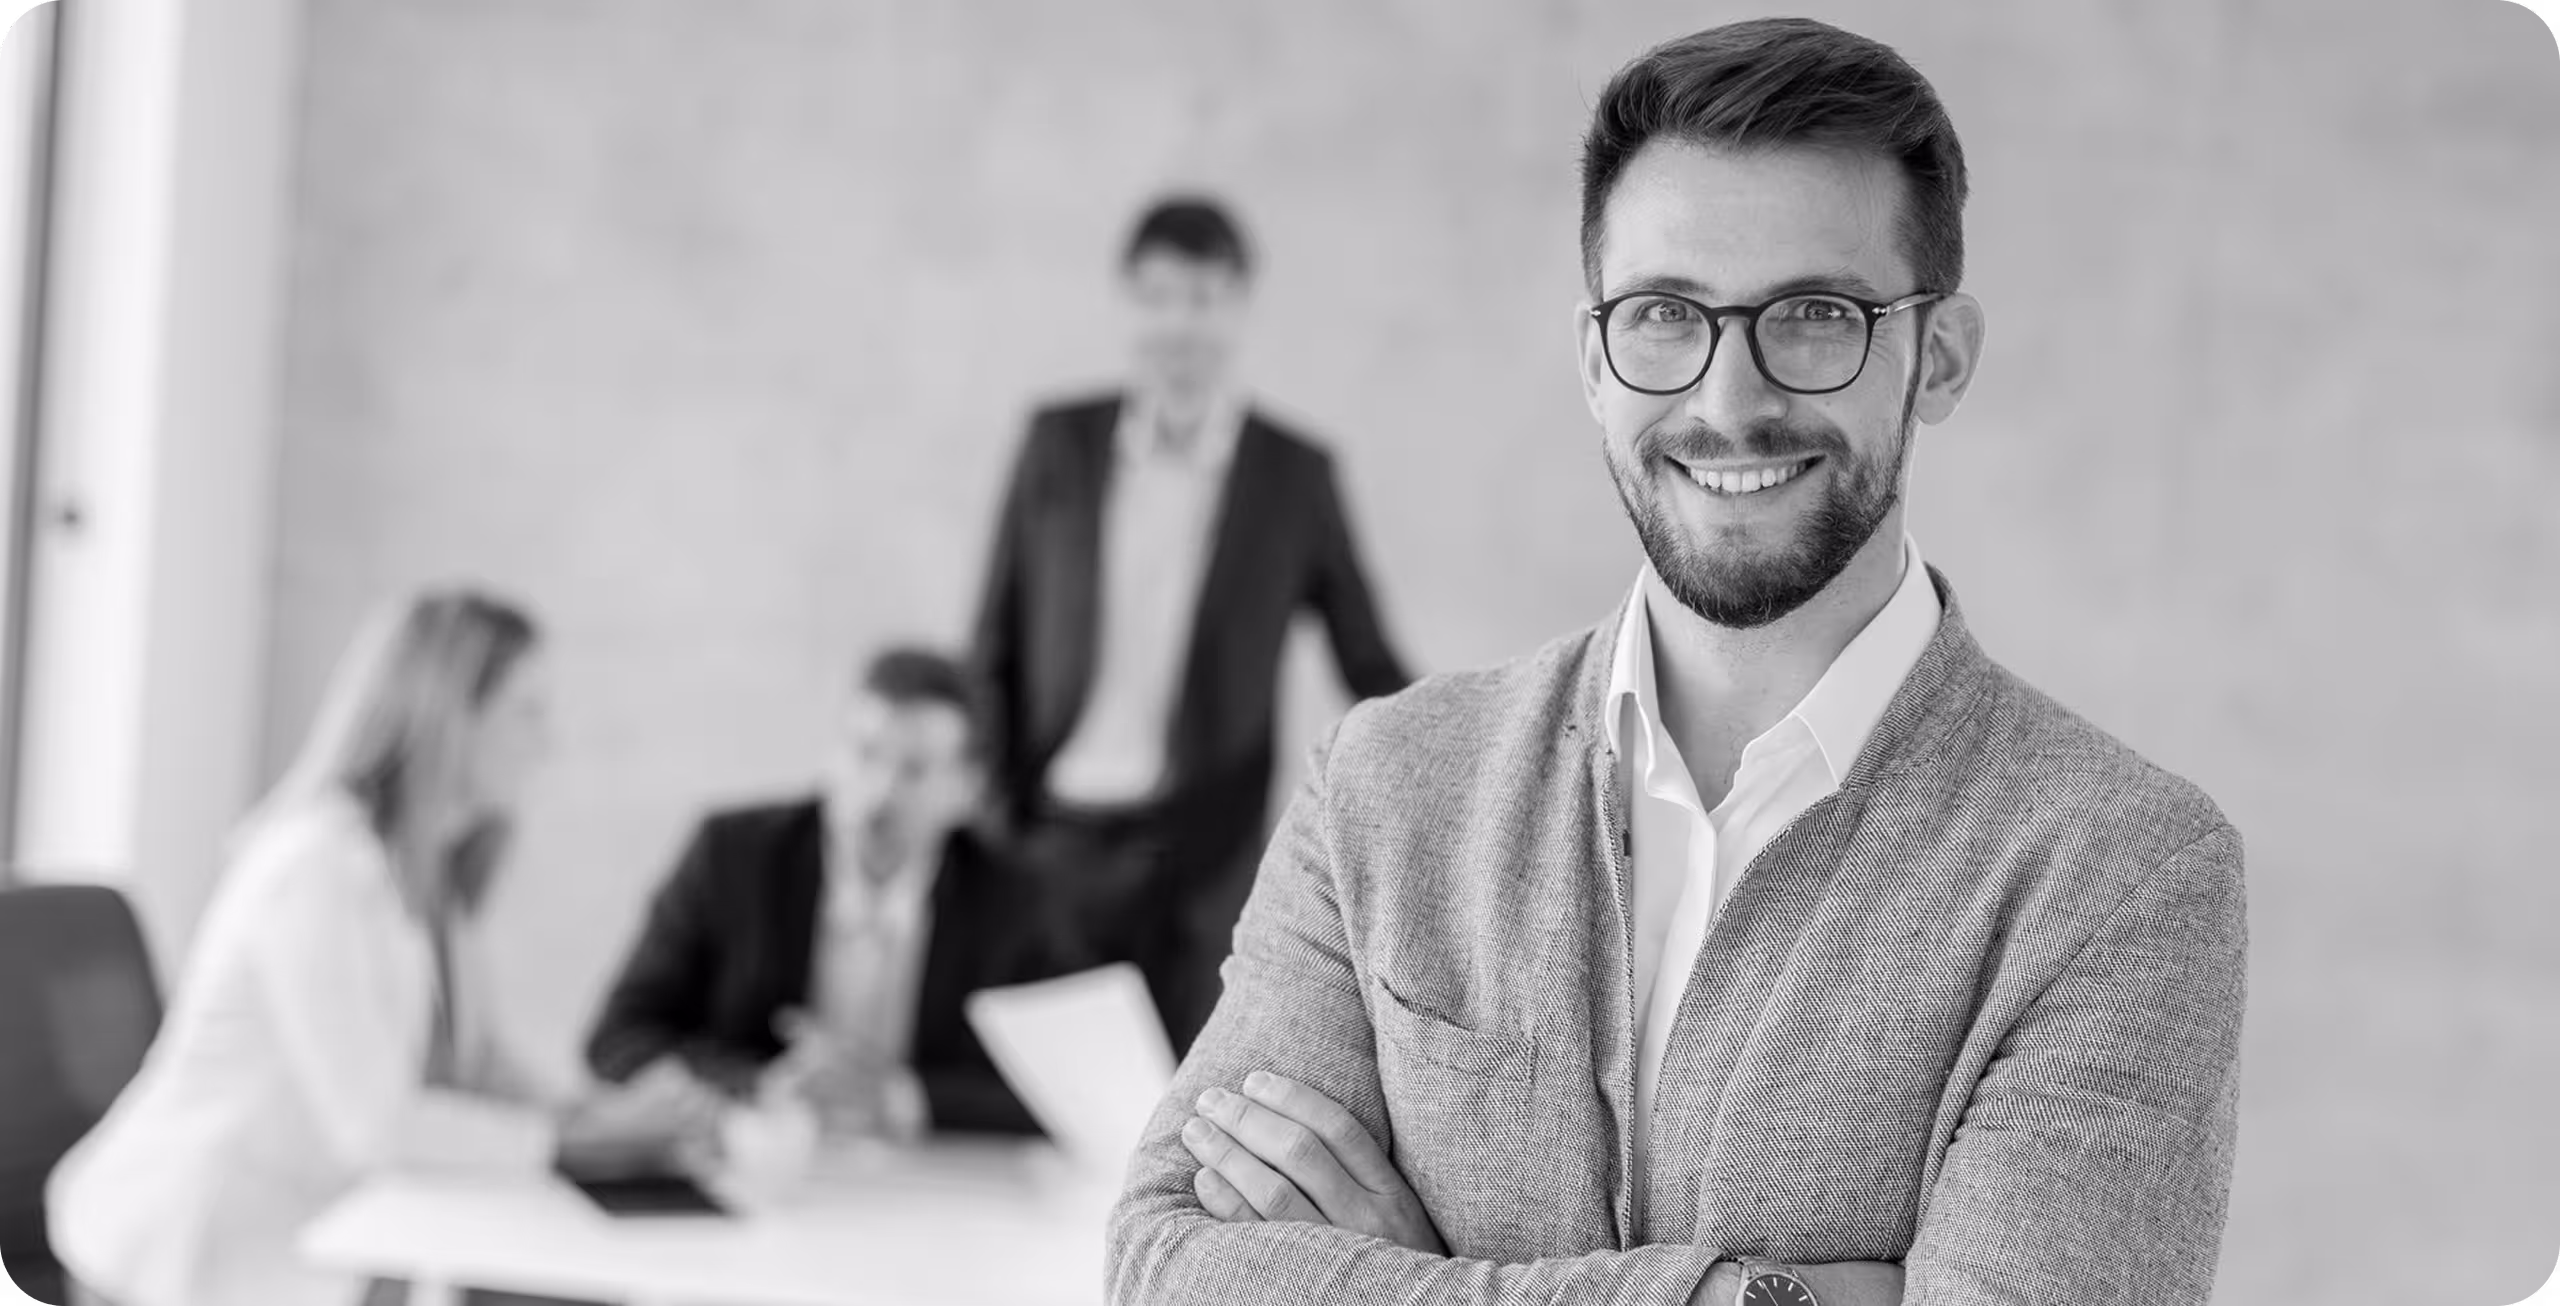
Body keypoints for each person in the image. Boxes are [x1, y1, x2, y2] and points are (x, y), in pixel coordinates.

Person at [1110, 19, 2246, 1306]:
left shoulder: (2120, 873)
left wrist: (1415, 1271)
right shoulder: (1384, 785)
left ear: (1938, 356)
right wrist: (1738, 1294)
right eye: (1664, 315)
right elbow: (1163, 1262)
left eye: (1814, 317)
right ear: (1594, 361)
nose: (1727, 401)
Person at [46, 590, 715, 1306]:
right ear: (450, 716)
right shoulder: (313, 867)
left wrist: (600, 1113)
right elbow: (375, 1126)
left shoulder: (432, 873)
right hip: (187, 1251)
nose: (548, 744)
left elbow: (481, 1062)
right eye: (527, 712)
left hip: (322, 1237)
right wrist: (574, 1142)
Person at [972, 196, 1412, 1054]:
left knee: (1188, 1099)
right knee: (1047, 1095)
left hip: (1203, 858)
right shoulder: (1057, 445)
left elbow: (1368, 659)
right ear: (1127, 303)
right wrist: (998, 818)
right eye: (1158, 296)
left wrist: (1469, 756)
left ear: (1238, 306)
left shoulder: (1293, 474)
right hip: (1051, 843)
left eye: (1203, 297)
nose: (1179, 323)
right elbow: (993, 642)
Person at [583, 648, 1083, 1140]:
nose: (880, 792)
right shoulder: (731, 856)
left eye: (914, 770)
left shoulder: (1016, 898)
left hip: (936, 1175)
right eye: (864, 754)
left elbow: (1074, 1089)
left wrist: (904, 1097)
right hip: (763, 1156)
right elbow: (617, 1035)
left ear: (967, 790)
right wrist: (759, 1084)